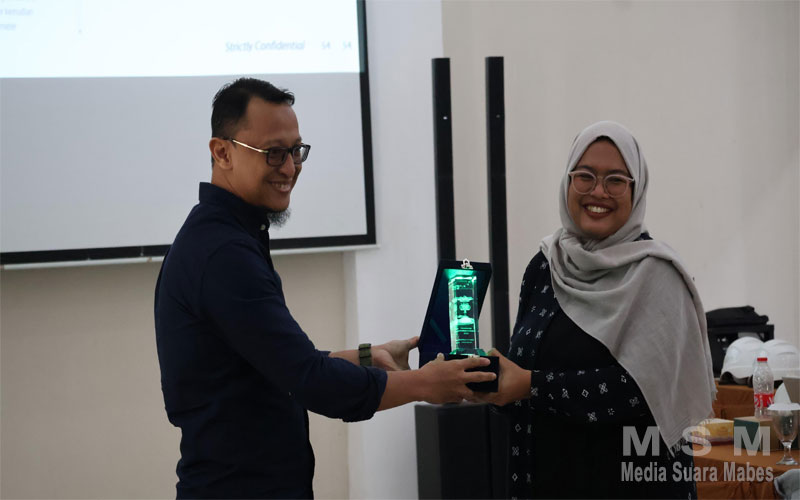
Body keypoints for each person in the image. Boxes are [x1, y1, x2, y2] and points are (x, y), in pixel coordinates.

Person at [154, 77, 495, 499]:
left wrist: (366, 358)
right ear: (222, 152)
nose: (289, 168)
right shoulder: (223, 254)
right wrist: (425, 384)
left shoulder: (227, 237)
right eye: (273, 153)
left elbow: (276, 365)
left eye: (296, 151)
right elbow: (310, 381)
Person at [476, 121, 716, 499]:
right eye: (585, 176)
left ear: (636, 189)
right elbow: (524, 365)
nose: (598, 191)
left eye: (616, 180)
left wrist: (529, 385)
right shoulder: (545, 266)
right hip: (543, 479)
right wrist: (491, 382)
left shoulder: (658, 278)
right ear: (568, 182)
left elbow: (640, 392)